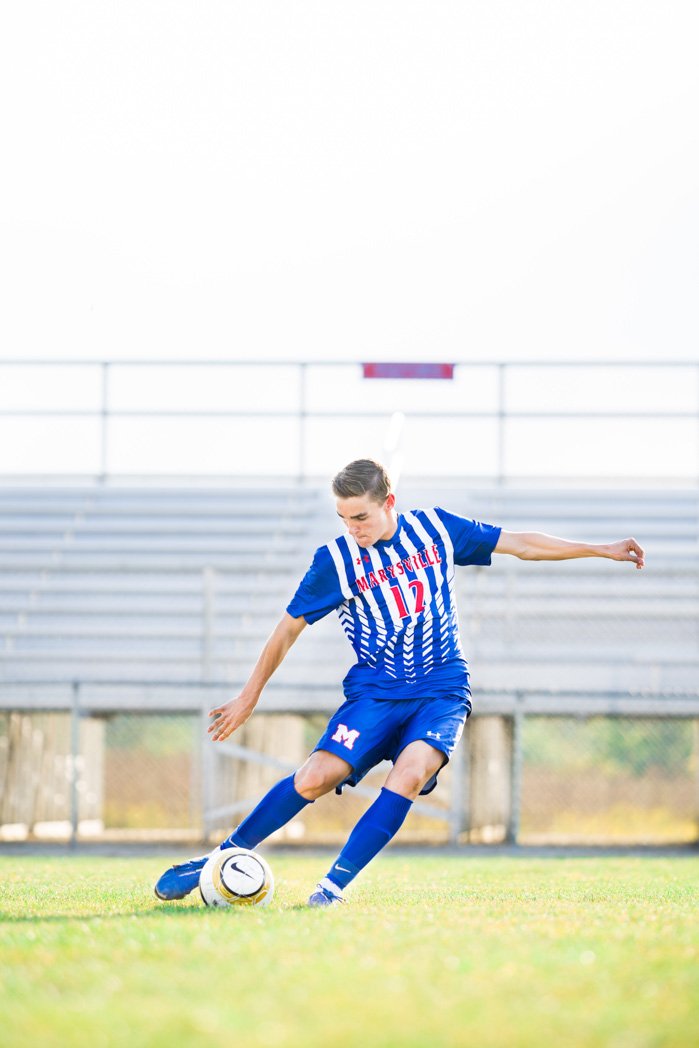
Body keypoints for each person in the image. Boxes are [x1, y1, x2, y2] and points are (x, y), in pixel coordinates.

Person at [155, 458, 645, 906]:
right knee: (314, 777)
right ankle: (221, 856)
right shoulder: (335, 561)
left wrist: (600, 550)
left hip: (441, 689)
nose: (353, 528)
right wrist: (249, 695)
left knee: (409, 775)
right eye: (344, 518)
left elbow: (520, 544)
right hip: (374, 692)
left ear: (389, 503)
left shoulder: (436, 529)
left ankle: (331, 889)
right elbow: (287, 629)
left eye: (361, 517)